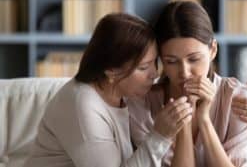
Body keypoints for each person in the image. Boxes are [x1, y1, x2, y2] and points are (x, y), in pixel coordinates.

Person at [24, 13, 194, 167]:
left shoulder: (127, 94)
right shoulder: (83, 105)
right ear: (111, 71)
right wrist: (159, 136)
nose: (155, 74)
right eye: (143, 68)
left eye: (154, 62)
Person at [128, 0, 247, 167]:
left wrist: (204, 119)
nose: (184, 72)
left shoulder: (237, 99)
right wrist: (184, 121)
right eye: (171, 61)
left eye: (194, 59)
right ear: (160, 59)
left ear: (213, 50)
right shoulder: (142, 105)